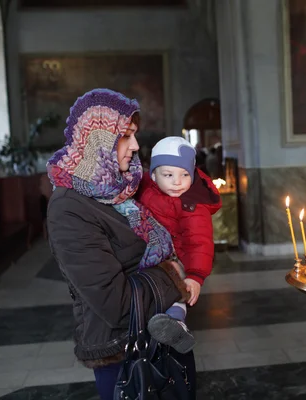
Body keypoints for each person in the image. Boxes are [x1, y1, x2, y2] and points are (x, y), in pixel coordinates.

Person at [45, 89, 195, 400]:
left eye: (135, 136)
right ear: (98, 141)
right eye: (126, 136)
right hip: (123, 354)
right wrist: (173, 272)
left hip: (158, 341)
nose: (137, 146)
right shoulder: (69, 208)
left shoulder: (120, 189)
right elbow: (117, 305)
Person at [131, 136, 222, 353]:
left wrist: (196, 276)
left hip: (176, 258)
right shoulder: (144, 187)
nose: (177, 182)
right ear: (153, 175)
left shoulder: (192, 205)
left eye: (184, 175)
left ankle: (177, 324)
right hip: (146, 255)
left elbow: (199, 242)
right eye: (168, 175)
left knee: (175, 287)